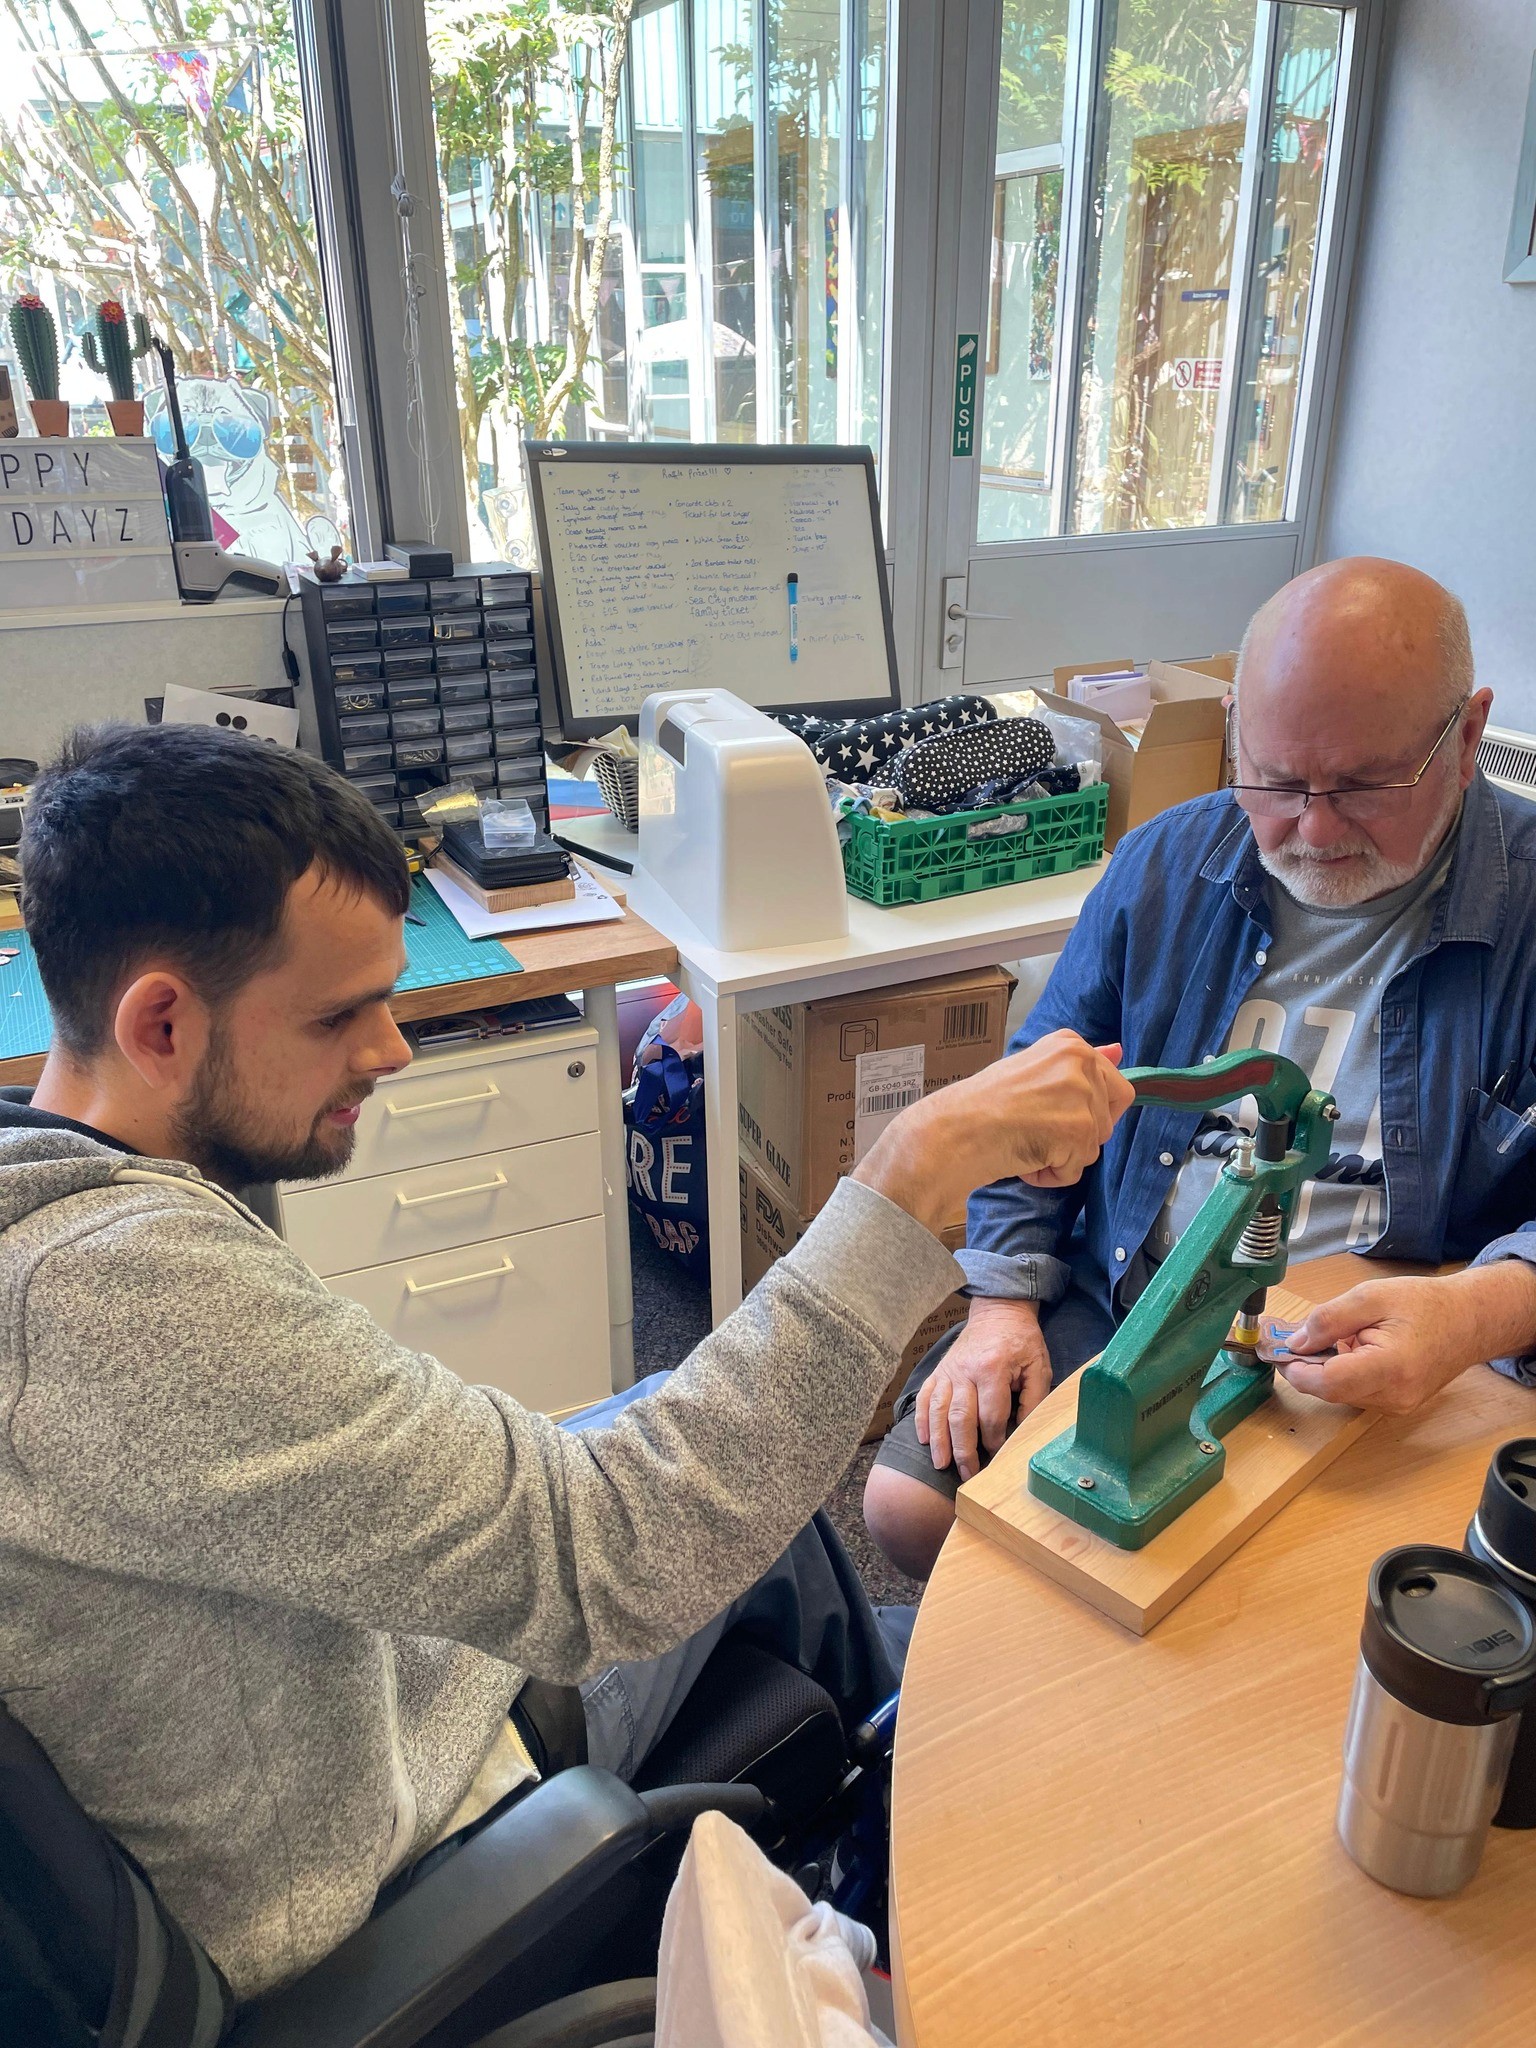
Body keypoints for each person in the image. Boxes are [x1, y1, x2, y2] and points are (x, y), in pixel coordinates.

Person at [0, 723, 1132, 2000]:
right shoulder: (127, 1303)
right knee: (756, 1524)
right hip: (386, 1859)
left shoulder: (53, 1191)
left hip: (338, 1694)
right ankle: (948, 1918)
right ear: (160, 1020)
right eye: (340, 1012)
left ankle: (890, 1808)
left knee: (714, 1457)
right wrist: (908, 1169)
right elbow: (616, 1555)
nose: (392, 1046)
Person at [865, 557, 1536, 1582]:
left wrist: (1476, 1312)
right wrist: (1001, 1302)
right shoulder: (1166, 864)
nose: (1312, 828)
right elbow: (1028, 1091)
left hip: (1408, 1334)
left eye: (1361, 785)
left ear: (1470, 732)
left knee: (1280, 1612)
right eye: (1273, 778)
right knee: (910, 1505)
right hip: (1140, 1285)